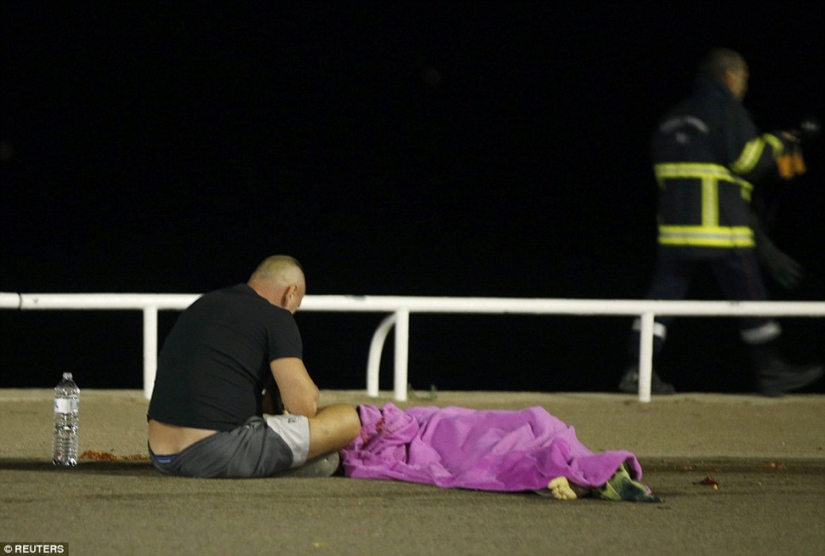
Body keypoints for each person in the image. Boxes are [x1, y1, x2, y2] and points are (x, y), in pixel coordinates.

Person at [619, 48, 823, 397]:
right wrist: (778, 143)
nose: (744, 85)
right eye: (743, 78)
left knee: (660, 302)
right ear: (730, 77)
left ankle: (637, 370)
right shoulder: (727, 111)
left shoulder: (672, 117)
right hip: (722, 230)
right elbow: (746, 161)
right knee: (750, 297)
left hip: (674, 231)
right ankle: (771, 370)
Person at [147, 255, 362, 478]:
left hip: (161, 455)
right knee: (347, 419)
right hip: (215, 452)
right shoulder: (277, 317)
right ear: (290, 293)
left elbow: (212, 390)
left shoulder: (203, 304)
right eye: (296, 306)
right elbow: (303, 407)